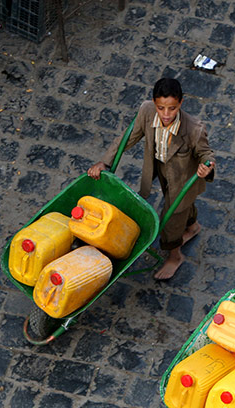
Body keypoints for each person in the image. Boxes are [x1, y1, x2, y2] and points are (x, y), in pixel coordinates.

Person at [88, 77, 215, 280]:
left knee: (172, 220)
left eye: (172, 109)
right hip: (161, 169)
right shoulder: (147, 111)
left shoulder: (194, 129)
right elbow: (128, 137)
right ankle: (192, 227)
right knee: (181, 209)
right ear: (154, 103)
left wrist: (206, 167)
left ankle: (175, 257)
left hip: (184, 181)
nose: (166, 114)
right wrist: (105, 162)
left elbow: (206, 154)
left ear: (181, 104)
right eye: (161, 108)